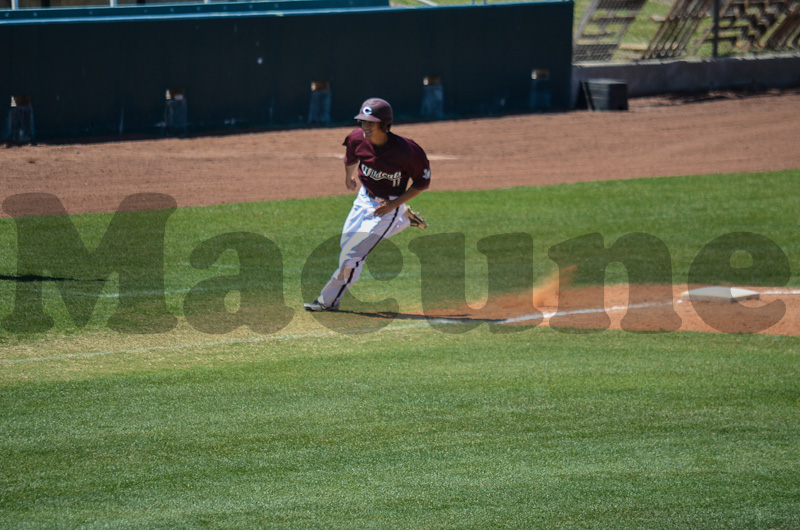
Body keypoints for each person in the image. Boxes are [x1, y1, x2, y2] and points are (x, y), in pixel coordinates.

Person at [304, 97, 431, 312]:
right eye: (363, 121)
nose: (365, 127)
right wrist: (348, 177)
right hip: (363, 198)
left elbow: (422, 183)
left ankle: (328, 301)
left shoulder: (408, 151)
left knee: (350, 257)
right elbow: (350, 157)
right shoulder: (356, 138)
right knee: (347, 248)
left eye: (370, 123)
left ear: (385, 125)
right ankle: (403, 221)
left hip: (388, 207)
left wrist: (394, 206)